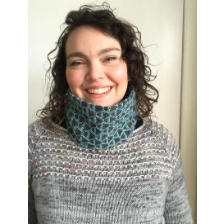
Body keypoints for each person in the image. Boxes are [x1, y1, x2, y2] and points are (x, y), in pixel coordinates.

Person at [28, 3, 193, 224]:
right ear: (65, 75)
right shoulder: (34, 143)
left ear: (130, 67)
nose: (95, 74)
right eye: (77, 62)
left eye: (109, 58)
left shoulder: (161, 144)